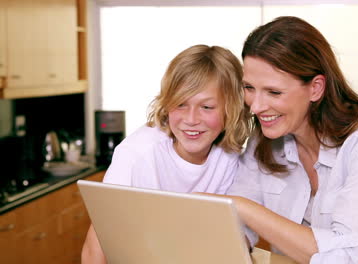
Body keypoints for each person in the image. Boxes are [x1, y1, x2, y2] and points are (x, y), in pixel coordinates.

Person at [224, 16, 358, 264]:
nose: (256, 106)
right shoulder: (266, 138)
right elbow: (234, 227)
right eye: (249, 88)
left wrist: (242, 208)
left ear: (316, 88)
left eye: (274, 92)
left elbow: (346, 256)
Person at [81, 44, 251, 264]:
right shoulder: (137, 154)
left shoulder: (229, 157)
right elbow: (96, 246)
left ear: (232, 108)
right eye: (180, 104)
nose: (191, 119)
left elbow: (223, 238)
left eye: (207, 107)